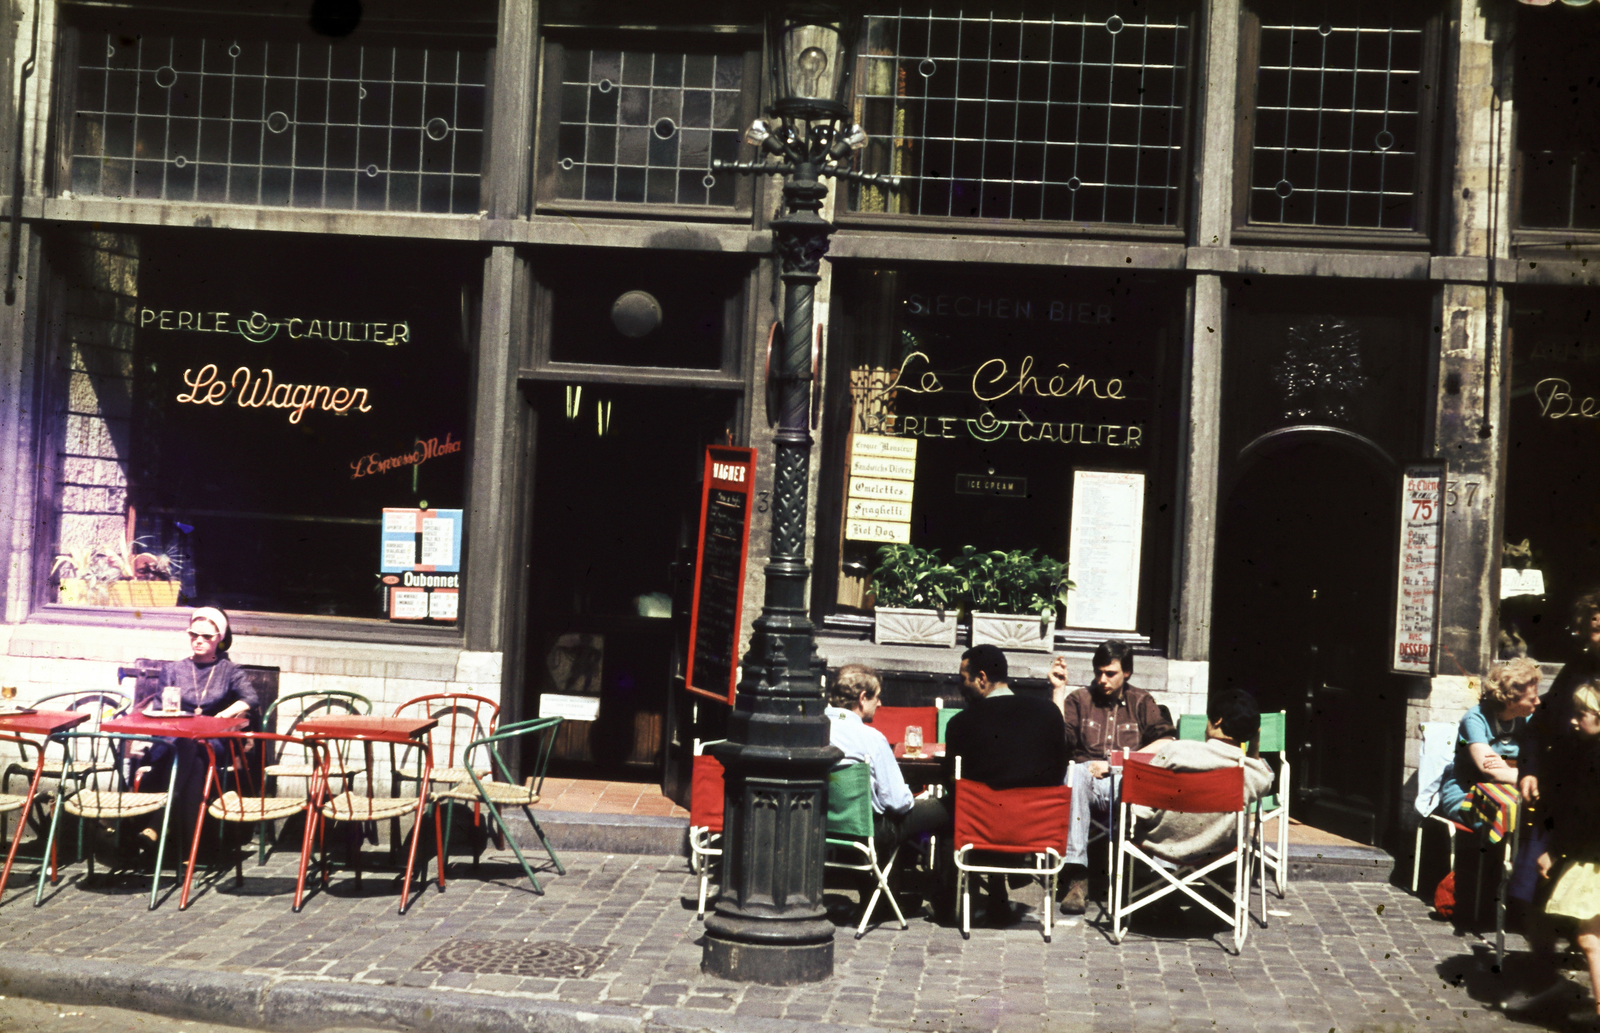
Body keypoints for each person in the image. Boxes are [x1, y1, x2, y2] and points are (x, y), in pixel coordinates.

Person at [942, 643, 1068, 924]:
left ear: (982, 678)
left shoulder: (961, 723)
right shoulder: (1049, 713)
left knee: (949, 812)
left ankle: (947, 900)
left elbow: (953, 782)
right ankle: (995, 889)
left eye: (963, 678)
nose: (959, 685)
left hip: (982, 825)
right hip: (1035, 825)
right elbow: (1059, 771)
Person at [1052, 639, 1175, 914]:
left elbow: (1167, 741)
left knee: (1144, 779)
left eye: (1110, 673)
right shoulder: (1079, 699)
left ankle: (1153, 880)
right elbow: (1060, 740)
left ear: (1127, 673)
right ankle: (1077, 879)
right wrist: (1059, 691)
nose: (1102, 679)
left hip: (1125, 779)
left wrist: (1116, 763)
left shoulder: (1141, 701)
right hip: (1087, 782)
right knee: (1075, 773)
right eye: (1098, 672)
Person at [131, 607, 260, 853]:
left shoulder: (229, 670)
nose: (198, 640)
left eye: (206, 636)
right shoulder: (173, 669)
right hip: (173, 740)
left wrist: (223, 715)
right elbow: (159, 707)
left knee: (196, 746)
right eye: (193, 634)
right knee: (195, 758)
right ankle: (190, 852)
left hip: (212, 741)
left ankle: (158, 825)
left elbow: (250, 698)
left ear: (220, 638)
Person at [1130, 689, 1274, 863]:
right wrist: (1254, 742)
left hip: (1159, 843)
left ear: (1218, 720)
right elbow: (1260, 772)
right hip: (1214, 850)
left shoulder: (1176, 751)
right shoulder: (1249, 773)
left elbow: (1142, 805)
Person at [1528, 681, 1600, 1025]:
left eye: (1581, 714)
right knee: (1591, 936)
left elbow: (1584, 817)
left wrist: (1553, 853)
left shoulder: (1593, 757)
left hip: (1593, 859)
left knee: (1589, 937)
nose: (1573, 720)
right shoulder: (1586, 750)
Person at [1437, 657, 1540, 827]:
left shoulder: (1528, 718)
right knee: (1512, 817)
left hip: (1512, 791)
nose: (1538, 702)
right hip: (1468, 794)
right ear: (1510, 701)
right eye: (1532, 699)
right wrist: (1530, 776)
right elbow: (1492, 772)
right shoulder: (1475, 719)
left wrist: (1511, 769)